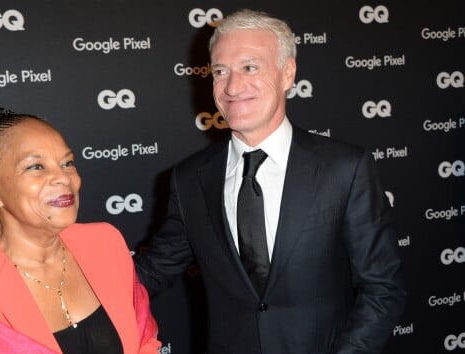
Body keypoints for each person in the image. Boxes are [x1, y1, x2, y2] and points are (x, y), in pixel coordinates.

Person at [135, 9, 406, 354]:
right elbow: (155, 269)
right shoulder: (189, 178)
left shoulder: (344, 168)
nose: (232, 87)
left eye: (250, 67)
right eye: (220, 72)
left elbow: (383, 288)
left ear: (287, 73)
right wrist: (60, 276)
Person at [0, 108, 160, 354]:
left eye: (68, 163)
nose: (63, 178)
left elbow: (144, 339)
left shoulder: (105, 242)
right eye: (36, 167)